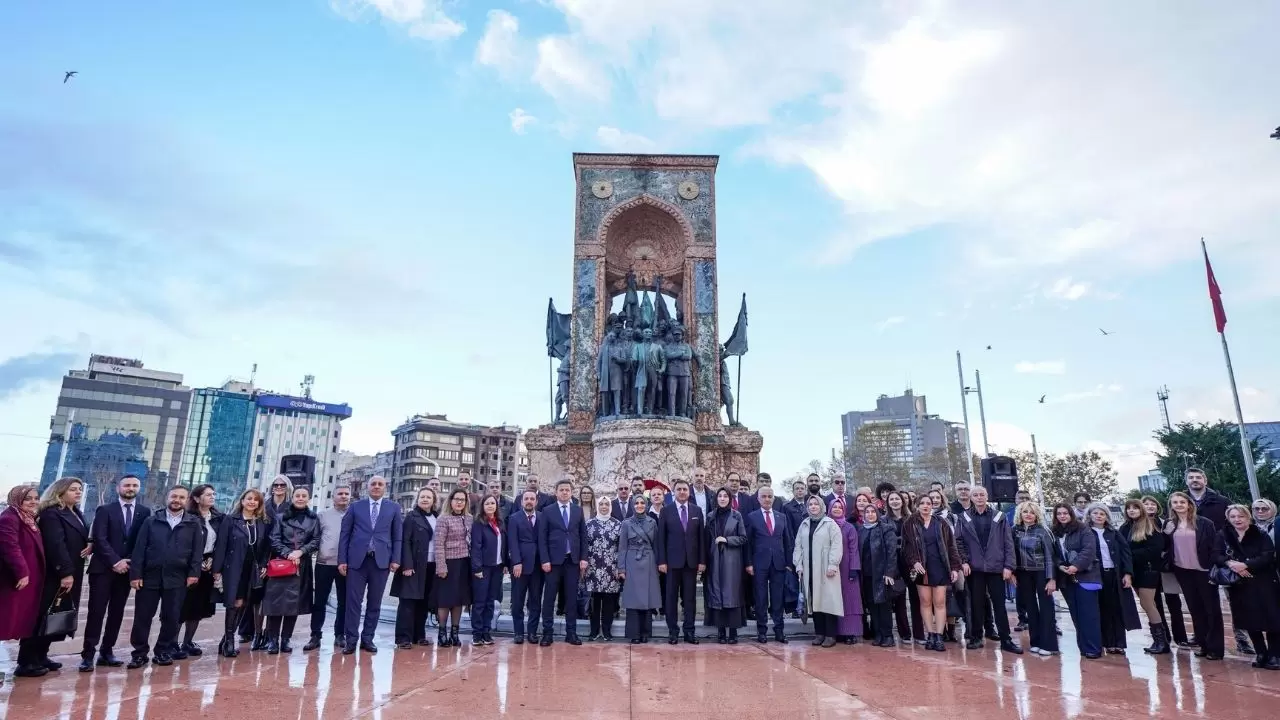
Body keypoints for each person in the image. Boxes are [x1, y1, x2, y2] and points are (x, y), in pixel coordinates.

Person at [128, 486, 203, 669]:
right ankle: (139, 654)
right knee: (142, 617)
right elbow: (139, 549)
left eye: (181, 497)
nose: (177, 500)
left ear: (187, 500)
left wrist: (194, 573)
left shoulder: (193, 523)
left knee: (171, 617)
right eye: (174, 496)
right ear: (167, 498)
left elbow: (197, 552)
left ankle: (162, 651)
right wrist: (135, 574)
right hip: (149, 577)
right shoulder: (151, 521)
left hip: (178, 578)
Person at [82, 474, 148, 671]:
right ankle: (87, 655)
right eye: (127, 485)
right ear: (118, 487)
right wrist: (115, 561)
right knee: (96, 612)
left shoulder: (144, 512)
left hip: (126, 570)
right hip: (103, 569)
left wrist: (131, 565)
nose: (130, 488)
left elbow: (141, 542)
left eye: (135, 485)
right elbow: (100, 539)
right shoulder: (105, 510)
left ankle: (106, 652)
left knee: (116, 613)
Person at [1185, 468, 1253, 655]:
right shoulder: (1183, 503)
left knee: (1236, 599)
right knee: (1203, 603)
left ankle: (1242, 639)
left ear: (1205, 480)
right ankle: (1203, 635)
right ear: (1187, 482)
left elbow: (1235, 525)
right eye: (1191, 478)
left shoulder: (1221, 502)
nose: (1195, 480)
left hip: (1223, 557)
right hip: (1197, 562)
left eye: (1198, 477)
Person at [31, 477, 91, 673]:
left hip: (72, 570)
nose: (78, 492)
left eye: (79, 489)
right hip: (55, 574)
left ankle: (42, 655)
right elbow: (56, 545)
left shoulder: (75, 513)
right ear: (60, 491)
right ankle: (27, 661)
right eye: (73, 489)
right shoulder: (51, 514)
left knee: (55, 615)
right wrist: (65, 572)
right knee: (43, 615)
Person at [338, 475, 402, 655]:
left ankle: (368, 639)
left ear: (385, 487)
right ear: (368, 487)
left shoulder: (394, 508)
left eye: (380, 484)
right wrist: (342, 560)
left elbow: (397, 536)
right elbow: (345, 534)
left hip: (380, 562)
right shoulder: (355, 507)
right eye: (373, 484)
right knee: (353, 603)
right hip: (357, 562)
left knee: (374, 603)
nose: (376, 486)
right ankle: (350, 640)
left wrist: (396, 559)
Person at [954, 486, 1021, 653]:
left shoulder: (1000, 517)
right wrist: (964, 561)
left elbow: (1008, 543)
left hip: (996, 568)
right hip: (975, 569)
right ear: (971, 498)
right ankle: (977, 637)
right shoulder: (964, 517)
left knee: (999, 605)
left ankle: (1006, 640)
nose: (979, 497)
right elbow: (958, 542)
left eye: (981, 494)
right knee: (976, 605)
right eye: (975, 495)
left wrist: (1009, 566)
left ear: (987, 496)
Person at [1164, 490, 1225, 660]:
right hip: (1183, 571)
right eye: (1175, 502)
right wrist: (1166, 534)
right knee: (1195, 609)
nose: (1179, 505)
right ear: (1171, 506)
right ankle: (1203, 644)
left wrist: (1212, 565)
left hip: (1203, 570)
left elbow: (1215, 546)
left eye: (1182, 502)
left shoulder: (1204, 523)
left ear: (1189, 504)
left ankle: (1215, 648)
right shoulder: (1170, 524)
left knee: (1212, 609)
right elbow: (1164, 547)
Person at [212, 488, 270, 658]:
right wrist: (217, 570)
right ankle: (229, 641)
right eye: (249, 498)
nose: (252, 502)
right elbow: (221, 545)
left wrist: (264, 564)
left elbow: (265, 547)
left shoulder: (261, 522)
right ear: (242, 501)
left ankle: (225, 640)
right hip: (233, 568)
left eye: (256, 500)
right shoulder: (230, 520)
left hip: (251, 570)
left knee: (244, 603)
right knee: (234, 603)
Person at [262, 486, 320, 654]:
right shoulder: (281, 517)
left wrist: (301, 551)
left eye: (304, 496)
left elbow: (316, 540)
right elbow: (274, 539)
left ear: (308, 498)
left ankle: (286, 639)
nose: (300, 498)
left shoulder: (314, 518)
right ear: (292, 497)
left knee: (294, 604)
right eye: (297, 495)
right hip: (282, 563)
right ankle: (272, 640)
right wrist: (288, 553)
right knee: (276, 602)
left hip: (302, 565)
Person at [902, 494, 963, 652]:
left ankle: (939, 636)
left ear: (932, 505)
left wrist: (955, 567)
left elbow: (951, 546)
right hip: (922, 568)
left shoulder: (941, 522)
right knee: (925, 602)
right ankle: (930, 634)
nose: (925, 506)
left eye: (928, 503)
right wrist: (914, 561)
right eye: (922, 503)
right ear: (916, 505)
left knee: (940, 602)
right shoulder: (910, 523)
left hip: (940, 566)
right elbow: (906, 547)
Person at [1222, 504, 1280, 669]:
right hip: (1240, 584)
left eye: (1240, 516)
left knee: (1272, 619)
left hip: (1264, 582)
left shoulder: (1260, 534)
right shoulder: (1224, 535)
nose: (1237, 519)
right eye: (1233, 516)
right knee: (1250, 619)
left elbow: (1268, 556)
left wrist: (1245, 565)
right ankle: (1261, 653)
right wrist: (1230, 563)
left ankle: (1275, 655)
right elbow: (1216, 554)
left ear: (1248, 517)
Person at [1, 485, 49, 678]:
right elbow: (9, 546)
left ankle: (22, 663)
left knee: (14, 621)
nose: (33, 502)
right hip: (12, 580)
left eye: (36, 498)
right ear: (17, 499)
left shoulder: (28, 519)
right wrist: (22, 572)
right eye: (28, 498)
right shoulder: (9, 518)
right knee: (4, 620)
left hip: (28, 581)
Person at [1083, 503, 1141, 654]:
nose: (1098, 516)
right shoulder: (1086, 532)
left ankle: (1119, 643)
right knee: (1102, 608)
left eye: (1102, 514)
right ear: (1090, 516)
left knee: (1117, 608)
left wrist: (1127, 573)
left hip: (1114, 574)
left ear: (1106, 517)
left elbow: (1126, 553)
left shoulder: (1113, 532)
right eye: (1095, 513)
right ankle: (1107, 642)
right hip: (1096, 575)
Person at [538, 479, 588, 646]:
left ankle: (571, 633)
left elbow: (583, 537)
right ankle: (547, 633)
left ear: (571, 492)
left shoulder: (577, 511)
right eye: (562, 490)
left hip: (572, 562)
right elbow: (542, 537)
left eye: (567, 490)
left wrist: (583, 558)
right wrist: (544, 559)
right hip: (553, 562)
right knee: (549, 598)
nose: (565, 492)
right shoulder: (547, 511)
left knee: (571, 598)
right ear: (556, 492)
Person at [656, 479, 706, 645]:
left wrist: (702, 560)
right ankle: (673, 632)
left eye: (685, 489)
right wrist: (661, 561)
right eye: (679, 489)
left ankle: (689, 632)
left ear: (689, 492)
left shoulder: (697, 511)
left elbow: (701, 539)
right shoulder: (666, 511)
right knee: (671, 598)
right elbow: (660, 538)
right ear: (674, 492)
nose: (682, 492)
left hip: (691, 563)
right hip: (671, 563)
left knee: (690, 598)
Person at [1051, 503, 1102, 659]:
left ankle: (1094, 648)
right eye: (1059, 513)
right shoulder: (1055, 532)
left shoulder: (1083, 529)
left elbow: (1089, 550)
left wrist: (1076, 566)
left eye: (1065, 513)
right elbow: (1054, 553)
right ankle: (1083, 647)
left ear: (1071, 514)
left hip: (1086, 576)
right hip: (1067, 579)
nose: (1062, 516)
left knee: (1089, 614)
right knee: (1076, 614)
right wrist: (1060, 566)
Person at [1120, 499, 1170, 654]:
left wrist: (1130, 555)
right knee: (1146, 604)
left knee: (1148, 603)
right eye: (1129, 508)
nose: (1132, 510)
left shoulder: (1149, 525)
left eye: (1135, 508)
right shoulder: (1125, 527)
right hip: (1133, 571)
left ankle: (1161, 641)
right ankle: (1159, 640)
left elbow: (1155, 549)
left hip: (1148, 570)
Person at [794, 495, 843, 648]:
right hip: (809, 570)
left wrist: (833, 565)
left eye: (816, 504)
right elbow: (798, 547)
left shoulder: (830, 524)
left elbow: (836, 545)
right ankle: (819, 633)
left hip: (826, 569)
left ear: (821, 506)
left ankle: (830, 635)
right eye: (810, 504)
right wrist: (799, 565)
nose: (813, 506)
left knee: (828, 602)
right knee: (815, 602)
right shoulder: (804, 524)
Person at [179, 484, 222, 658]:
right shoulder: (188, 518)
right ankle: (172, 643)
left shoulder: (218, 518)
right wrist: (196, 563)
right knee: (182, 606)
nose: (212, 497)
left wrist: (213, 561)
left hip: (208, 568)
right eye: (208, 495)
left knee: (198, 608)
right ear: (196, 498)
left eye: (213, 494)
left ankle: (188, 641)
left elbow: (221, 543)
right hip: (188, 568)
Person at [745, 486, 793, 643]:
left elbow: (787, 541)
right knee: (760, 598)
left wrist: (788, 563)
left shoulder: (781, 517)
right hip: (759, 564)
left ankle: (779, 630)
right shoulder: (752, 517)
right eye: (763, 496)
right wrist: (749, 563)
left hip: (778, 564)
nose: (767, 499)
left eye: (769, 496)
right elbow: (748, 543)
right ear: (758, 499)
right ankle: (762, 631)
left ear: (774, 498)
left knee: (778, 598)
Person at [306, 484, 351, 651]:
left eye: (346, 494)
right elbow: (315, 538)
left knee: (343, 602)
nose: (343, 496)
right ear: (334, 497)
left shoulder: (354, 515)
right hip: (324, 564)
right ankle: (315, 635)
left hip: (346, 565)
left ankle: (340, 635)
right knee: (320, 601)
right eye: (340, 493)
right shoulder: (322, 515)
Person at [1011, 502, 1059, 656]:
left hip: (1041, 572)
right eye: (1025, 512)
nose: (1028, 515)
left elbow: (1050, 556)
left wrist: (1051, 579)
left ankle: (1049, 644)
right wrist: (1012, 573)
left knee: (1046, 607)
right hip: (1023, 574)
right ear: (1020, 514)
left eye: (1031, 512)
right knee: (1031, 609)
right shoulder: (1014, 531)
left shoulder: (1043, 531)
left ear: (1036, 514)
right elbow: (1011, 553)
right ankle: (1036, 641)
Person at [1144, 496, 1190, 648]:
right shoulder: (1137, 524)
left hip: (1167, 567)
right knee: (1155, 604)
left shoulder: (1166, 523)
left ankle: (1181, 636)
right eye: (1146, 504)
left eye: (1153, 504)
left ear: (1158, 507)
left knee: (1173, 602)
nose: (1150, 506)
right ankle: (1163, 637)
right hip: (1149, 569)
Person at [705, 488, 747, 643]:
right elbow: (707, 538)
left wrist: (727, 540)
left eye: (725, 496)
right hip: (715, 558)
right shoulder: (711, 516)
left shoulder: (737, 515)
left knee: (732, 593)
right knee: (717, 593)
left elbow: (743, 538)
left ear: (730, 498)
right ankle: (721, 631)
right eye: (720, 496)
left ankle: (733, 632)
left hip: (732, 560)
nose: (722, 499)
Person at [433, 489, 473, 647]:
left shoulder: (469, 518)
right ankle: (442, 633)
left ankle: (455, 633)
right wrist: (441, 566)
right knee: (445, 600)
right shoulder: (443, 519)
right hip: (448, 563)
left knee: (459, 600)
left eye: (462, 500)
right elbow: (438, 544)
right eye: (456, 499)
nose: (459, 502)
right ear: (450, 501)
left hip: (464, 563)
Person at [619, 495, 661, 643]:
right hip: (632, 561)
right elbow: (622, 547)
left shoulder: (653, 522)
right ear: (632, 505)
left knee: (647, 598)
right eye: (636, 503)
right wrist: (621, 568)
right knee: (633, 598)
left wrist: (658, 563)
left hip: (649, 560)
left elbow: (656, 545)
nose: (639, 505)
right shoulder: (626, 523)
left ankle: (645, 633)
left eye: (642, 502)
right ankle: (634, 634)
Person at [858, 503, 900, 647]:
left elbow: (892, 552)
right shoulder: (862, 530)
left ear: (877, 513)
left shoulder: (886, 529)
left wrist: (890, 572)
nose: (870, 514)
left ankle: (888, 635)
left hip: (882, 574)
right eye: (867, 512)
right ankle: (878, 634)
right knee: (872, 605)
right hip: (867, 575)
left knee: (884, 605)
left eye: (872, 512)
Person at [885, 491, 923, 646]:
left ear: (903, 501)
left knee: (916, 597)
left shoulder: (913, 519)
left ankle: (919, 634)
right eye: (891, 499)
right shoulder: (884, 520)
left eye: (897, 499)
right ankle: (904, 633)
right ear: (888, 502)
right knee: (899, 597)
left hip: (911, 562)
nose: (895, 501)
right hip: (894, 562)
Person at [508, 489, 544, 645]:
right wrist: (516, 562)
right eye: (526, 498)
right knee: (517, 601)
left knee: (535, 600)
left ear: (536, 501)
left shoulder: (543, 517)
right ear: (522, 501)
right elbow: (512, 542)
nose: (529, 501)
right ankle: (518, 632)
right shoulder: (514, 518)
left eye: (532, 498)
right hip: (520, 566)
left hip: (538, 566)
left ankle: (532, 632)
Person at [470, 495, 507, 646]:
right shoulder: (479, 523)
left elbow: (504, 545)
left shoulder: (500, 523)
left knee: (491, 601)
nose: (491, 506)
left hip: (497, 567)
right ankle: (477, 633)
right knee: (480, 601)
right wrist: (477, 567)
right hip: (483, 567)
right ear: (482, 506)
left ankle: (487, 631)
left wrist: (505, 563)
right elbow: (476, 547)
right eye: (487, 503)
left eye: (493, 503)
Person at [584, 496, 622, 641]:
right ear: (597, 506)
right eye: (601, 504)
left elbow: (621, 547)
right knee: (595, 601)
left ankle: (606, 631)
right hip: (593, 567)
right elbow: (585, 546)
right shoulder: (589, 524)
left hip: (611, 568)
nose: (604, 507)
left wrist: (620, 567)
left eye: (607, 504)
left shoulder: (617, 524)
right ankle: (593, 631)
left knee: (609, 602)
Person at [827, 498, 863, 644]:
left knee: (850, 600)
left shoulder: (849, 527)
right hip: (831, 569)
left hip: (847, 567)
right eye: (834, 507)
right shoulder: (826, 526)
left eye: (839, 507)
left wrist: (854, 568)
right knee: (834, 599)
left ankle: (850, 632)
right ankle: (835, 632)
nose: (836, 509)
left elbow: (854, 549)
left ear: (843, 510)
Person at [781, 480, 809, 617]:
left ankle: (807, 607)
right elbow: (787, 531)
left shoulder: (810, 505)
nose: (799, 491)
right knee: (794, 579)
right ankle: (796, 609)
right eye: (797, 488)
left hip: (808, 547)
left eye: (802, 488)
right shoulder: (787, 507)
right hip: (794, 548)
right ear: (793, 491)